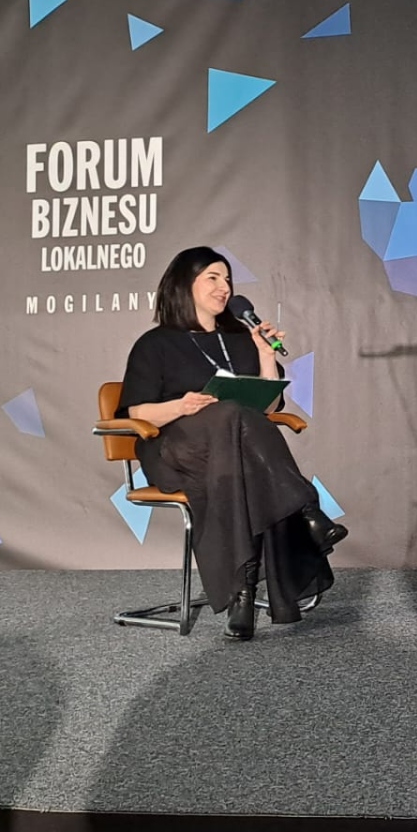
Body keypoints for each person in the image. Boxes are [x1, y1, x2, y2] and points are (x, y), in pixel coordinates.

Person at [119, 247, 345, 642]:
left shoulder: (240, 338)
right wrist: (181, 405)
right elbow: (136, 412)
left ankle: (243, 594)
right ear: (184, 283)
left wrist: (264, 354)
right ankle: (305, 509)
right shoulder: (155, 343)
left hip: (232, 455)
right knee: (231, 415)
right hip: (175, 450)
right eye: (213, 277)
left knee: (239, 446)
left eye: (227, 279)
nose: (224, 287)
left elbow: (269, 405)